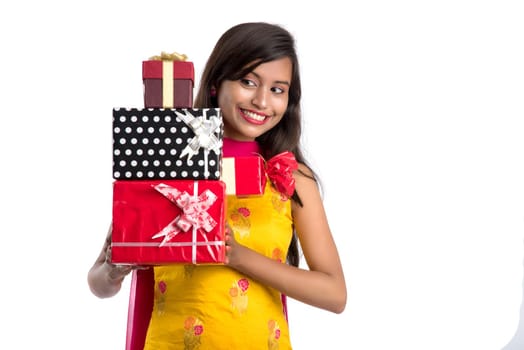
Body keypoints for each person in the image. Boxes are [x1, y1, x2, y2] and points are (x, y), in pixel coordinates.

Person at [88, 21, 347, 349]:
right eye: (248, 82)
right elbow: (98, 283)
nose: (262, 101)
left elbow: (335, 294)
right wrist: (114, 268)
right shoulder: (168, 165)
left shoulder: (291, 177)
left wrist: (237, 256)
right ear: (215, 84)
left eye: (278, 89)